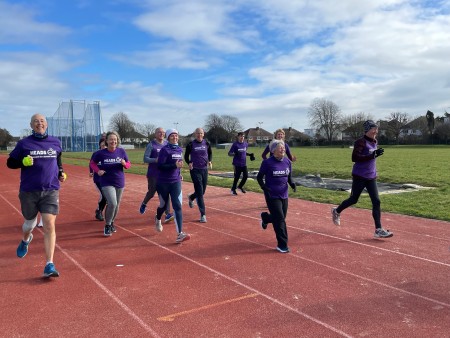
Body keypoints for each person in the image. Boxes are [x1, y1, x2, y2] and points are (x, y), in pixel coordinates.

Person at [7, 113, 67, 278]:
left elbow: (58, 158)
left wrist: (61, 172)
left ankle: (49, 264)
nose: (39, 123)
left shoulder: (55, 142)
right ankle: (26, 239)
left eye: (42, 121)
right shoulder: (24, 143)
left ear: (46, 124)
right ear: (31, 125)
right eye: (36, 121)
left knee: (49, 225)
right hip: (28, 190)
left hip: (50, 189)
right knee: (29, 224)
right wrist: (22, 162)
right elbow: (10, 162)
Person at [331, 120, 393, 238]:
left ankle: (378, 229)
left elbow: (371, 160)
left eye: (377, 129)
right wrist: (373, 155)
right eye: (373, 129)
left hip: (371, 177)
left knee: (376, 201)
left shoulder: (375, 141)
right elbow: (355, 157)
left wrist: (374, 169)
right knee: (354, 199)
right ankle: (337, 211)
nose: (376, 131)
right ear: (367, 130)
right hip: (359, 176)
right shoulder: (360, 142)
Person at [257, 140, 296, 253]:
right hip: (271, 194)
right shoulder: (267, 163)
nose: (283, 149)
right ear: (273, 150)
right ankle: (282, 245)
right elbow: (259, 177)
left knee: (281, 217)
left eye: (283, 147)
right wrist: (264, 187)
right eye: (280, 148)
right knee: (280, 220)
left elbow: (289, 176)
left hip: (284, 194)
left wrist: (292, 183)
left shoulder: (287, 162)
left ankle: (265, 218)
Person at [90, 131, 131, 236]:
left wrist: (124, 164)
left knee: (117, 205)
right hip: (106, 181)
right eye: (111, 139)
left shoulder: (121, 151)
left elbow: (128, 164)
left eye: (115, 139)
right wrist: (97, 170)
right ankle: (107, 225)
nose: (113, 141)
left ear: (117, 141)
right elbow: (92, 163)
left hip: (119, 181)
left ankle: (112, 222)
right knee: (112, 203)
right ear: (107, 141)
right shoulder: (101, 153)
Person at [154, 129, 190, 243]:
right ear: (168, 137)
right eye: (172, 136)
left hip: (175, 181)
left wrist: (180, 174)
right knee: (163, 206)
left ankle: (180, 233)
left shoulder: (180, 149)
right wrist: (174, 165)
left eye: (176, 136)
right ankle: (158, 218)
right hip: (163, 182)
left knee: (177, 206)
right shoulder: (165, 150)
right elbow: (160, 166)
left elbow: (178, 165)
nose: (175, 137)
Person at [139, 127, 174, 223]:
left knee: (166, 193)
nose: (161, 134)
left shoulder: (167, 144)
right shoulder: (151, 145)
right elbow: (145, 159)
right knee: (152, 191)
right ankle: (144, 203)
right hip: (153, 174)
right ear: (155, 134)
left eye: (163, 132)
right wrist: (155, 160)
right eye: (159, 132)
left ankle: (167, 214)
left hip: (164, 174)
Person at [184, 128, 212, 223]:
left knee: (202, 191)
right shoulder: (191, 144)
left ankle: (191, 197)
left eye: (201, 133)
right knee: (200, 192)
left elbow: (210, 153)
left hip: (204, 169)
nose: (199, 135)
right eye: (198, 133)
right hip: (195, 170)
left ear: (203, 134)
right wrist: (189, 162)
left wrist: (210, 161)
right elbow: (186, 156)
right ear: (195, 134)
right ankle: (203, 214)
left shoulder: (207, 143)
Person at [90, 139, 107, 221]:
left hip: (107, 179)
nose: (104, 146)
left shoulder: (109, 154)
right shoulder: (96, 154)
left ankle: (99, 210)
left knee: (106, 197)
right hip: (98, 179)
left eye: (105, 145)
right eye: (102, 145)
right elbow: (91, 163)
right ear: (100, 145)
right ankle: (99, 211)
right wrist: (91, 172)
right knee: (103, 195)